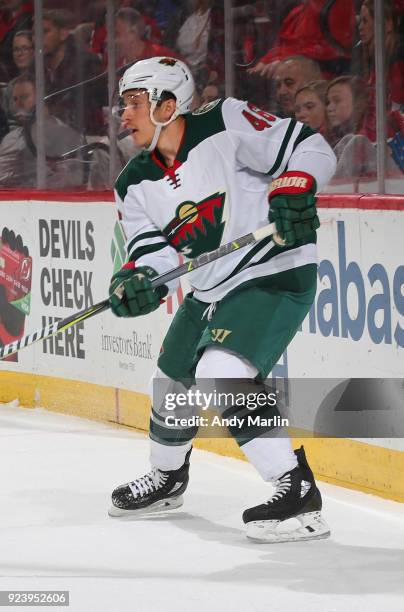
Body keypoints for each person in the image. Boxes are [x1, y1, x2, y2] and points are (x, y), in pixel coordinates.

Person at [107, 56, 336, 543]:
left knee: (222, 372)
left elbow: (310, 147)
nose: (122, 116)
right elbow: (154, 257)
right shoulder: (132, 182)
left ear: (168, 104)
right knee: (169, 380)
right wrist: (139, 282)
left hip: (272, 269)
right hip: (210, 289)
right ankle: (168, 478)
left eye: (133, 103)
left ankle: (296, 492)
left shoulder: (225, 121)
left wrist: (298, 183)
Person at [0, 73, 86, 188]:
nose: (18, 104)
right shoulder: (11, 139)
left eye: (24, 97)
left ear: (43, 98)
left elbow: (73, 181)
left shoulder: (68, 136)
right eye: (15, 99)